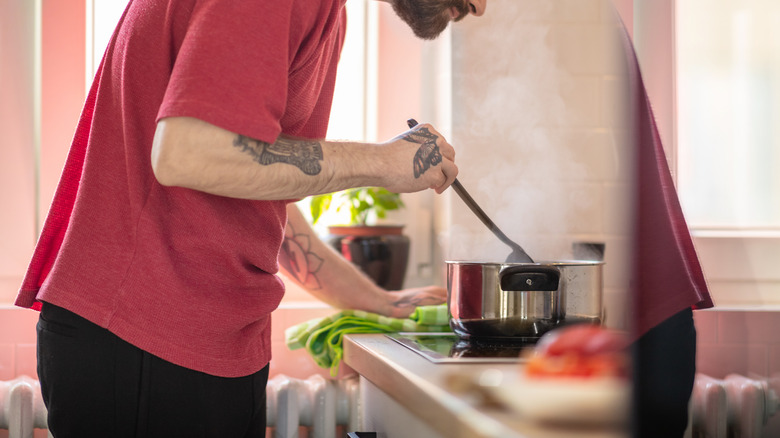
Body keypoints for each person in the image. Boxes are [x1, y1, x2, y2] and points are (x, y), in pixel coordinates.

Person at [16, 0, 487, 436]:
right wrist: (381, 163)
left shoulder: (324, 11)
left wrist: (378, 301)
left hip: (177, 344)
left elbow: (252, 189)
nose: (482, 6)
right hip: (144, 339)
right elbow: (190, 152)